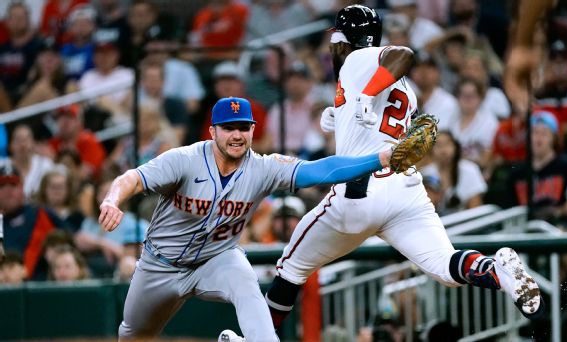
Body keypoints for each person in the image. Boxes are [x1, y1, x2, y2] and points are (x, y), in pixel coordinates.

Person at [252, 6, 543, 340]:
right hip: (405, 192)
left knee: (291, 268)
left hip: (359, 193)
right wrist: (343, 110)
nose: (333, 46)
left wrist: (363, 95)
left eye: (337, 39)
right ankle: (497, 270)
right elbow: (379, 116)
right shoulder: (405, 88)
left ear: (349, 39)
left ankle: (255, 338)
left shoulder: (360, 60)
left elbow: (403, 53)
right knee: (445, 265)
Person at [98, 97, 397, 341]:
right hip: (159, 265)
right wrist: (112, 199)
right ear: (213, 131)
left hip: (216, 260)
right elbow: (133, 178)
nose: (237, 135)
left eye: (244, 127)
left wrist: (380, 159)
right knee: (134, 333)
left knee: (246, 284)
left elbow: (320, 170)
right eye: (229, 128)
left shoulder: (264, 168)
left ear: (253, 130)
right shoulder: (184, 160)